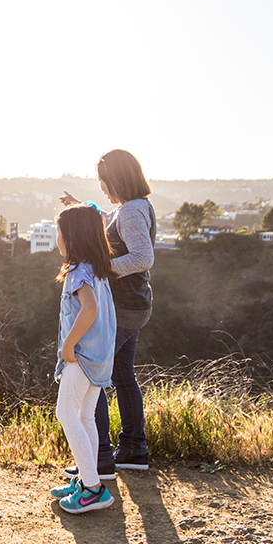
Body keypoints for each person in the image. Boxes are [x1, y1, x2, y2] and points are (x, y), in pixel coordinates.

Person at [60, 149, 156, 480]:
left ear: (116, 179)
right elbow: (109, 223)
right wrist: (80, 206)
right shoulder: (134, 207)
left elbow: (143, 257)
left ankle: (99, 456)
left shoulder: (130, 212)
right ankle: (133, 449)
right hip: (133, 304)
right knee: (122, 375)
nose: (102, 188)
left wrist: (102, 270)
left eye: (103, 182)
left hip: (125, 307)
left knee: (94, 374)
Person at [49, 204, 118, 514]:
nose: (56, 236)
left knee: (66, 414)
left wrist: (68, 345)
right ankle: (87, 479)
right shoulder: (96, 268)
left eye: (58, 231)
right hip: (100, 357)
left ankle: (92, 489)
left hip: (82, 357)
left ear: (71, 236)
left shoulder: (78, 271)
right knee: (85, 417)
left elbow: (89, 310)